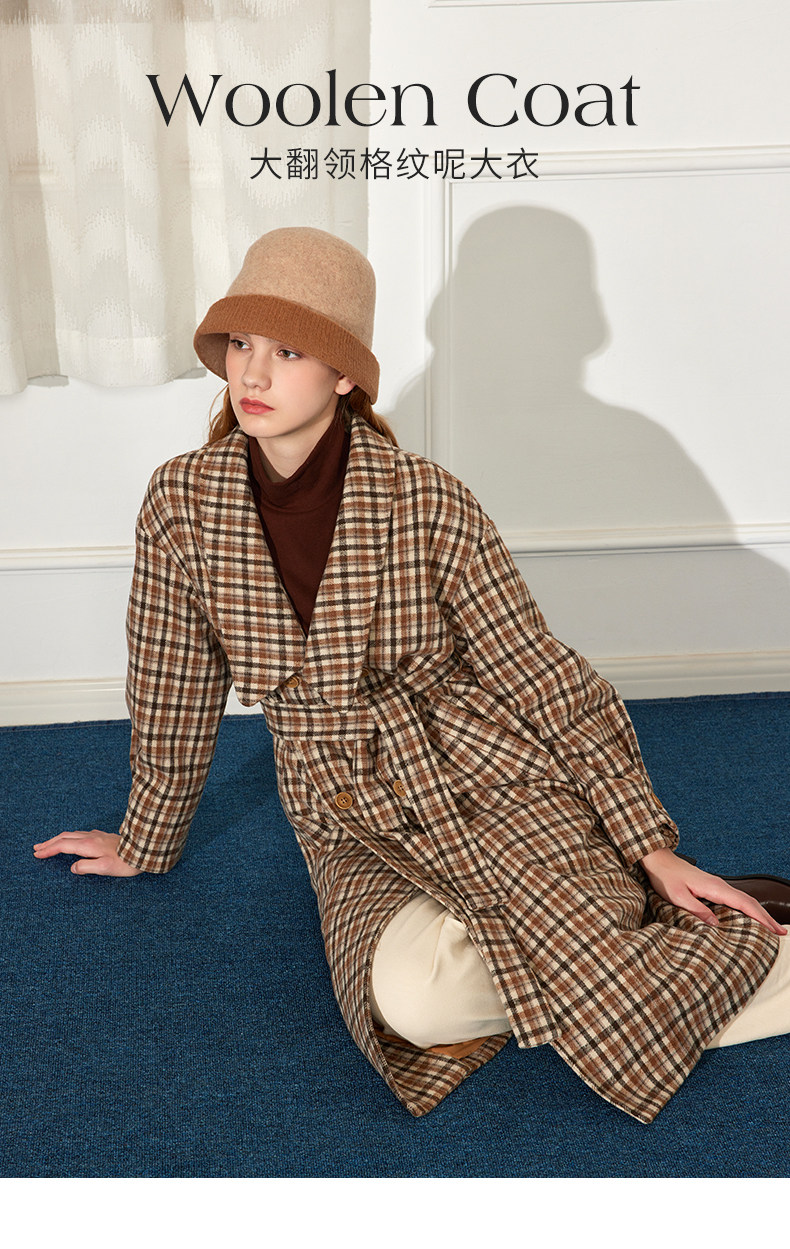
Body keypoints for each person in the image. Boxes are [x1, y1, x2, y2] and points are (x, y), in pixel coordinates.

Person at [32, 227, 790, 1122]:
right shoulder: (182, 503)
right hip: (343, 811)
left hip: (485, 772)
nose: (253, 374)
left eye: (289, 351)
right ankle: (643, 955)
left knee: (514, 962)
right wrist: (147, 835)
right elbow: (171, 680)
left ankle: (614, 940)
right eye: (240, 343)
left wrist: (648, 843)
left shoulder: (428, 498)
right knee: (412, 1007)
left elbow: (542, 675)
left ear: (344, 375)